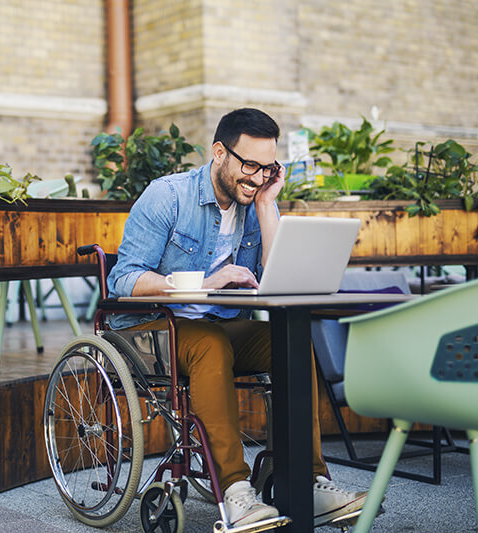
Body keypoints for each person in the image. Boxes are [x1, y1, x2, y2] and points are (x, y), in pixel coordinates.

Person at [106, 108, 367, 527]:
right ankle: (236, 492)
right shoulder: (168, 195)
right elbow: (124, 278)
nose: (257, 176)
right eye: (249, 165)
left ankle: (308, 481)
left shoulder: (257, 199)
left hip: (219, 326)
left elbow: (276, 279)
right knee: (211, 343)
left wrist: (267, 204)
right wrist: (206, 281)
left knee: (289, 342)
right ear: (219, 153)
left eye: (268, 168)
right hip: (152, 330)